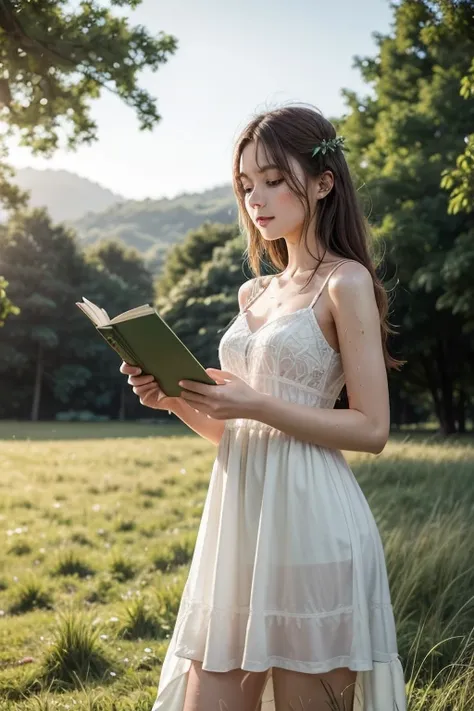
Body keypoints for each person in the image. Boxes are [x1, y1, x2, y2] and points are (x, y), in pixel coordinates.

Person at [120, 104, 407, 711]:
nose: (257, 198)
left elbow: (373, 428)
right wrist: (174, 399)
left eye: (275, 180)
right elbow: (240, 434)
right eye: (247, 185)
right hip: (238, 525)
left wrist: (256, 402)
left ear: (324, 182)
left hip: (313, 526)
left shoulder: (345, 283)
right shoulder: (255, 291)